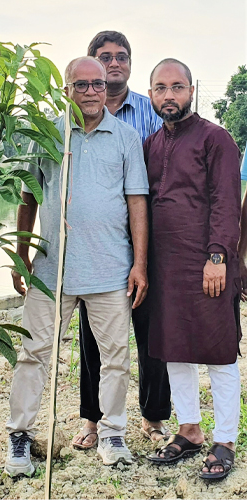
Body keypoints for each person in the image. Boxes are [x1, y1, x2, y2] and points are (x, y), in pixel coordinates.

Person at [5, 56, 149, 476]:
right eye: (81, 84)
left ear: (108, 88)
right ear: (66, 88)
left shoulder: (125, 137)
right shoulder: (47, 134)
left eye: (98, 84)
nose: (90, 91)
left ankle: (112, 433)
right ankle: (20, 435)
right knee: (33, 354)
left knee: (116, 356)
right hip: (52, 272)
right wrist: (22, 250)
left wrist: (139, 262)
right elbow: (29, 195)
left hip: (109, 268)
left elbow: (136, 200)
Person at [144, 59, 242, 481]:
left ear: (191, 91)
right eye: (161, 88)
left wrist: (218, 256)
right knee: (173, 348)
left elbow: (226, 202)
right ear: (150, 94)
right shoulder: (150, 143)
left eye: (177, 87)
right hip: (164, 264)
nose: (169, 95)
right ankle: (189, 430)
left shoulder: (215, 139)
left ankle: (225, 438)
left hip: (208, 262)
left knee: (219, 352)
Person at [72, 31, 170, 450]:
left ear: (130, 65)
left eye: (121, 57)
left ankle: (152, 416)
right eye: (104, 57)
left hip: (147, 239)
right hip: (95, 246)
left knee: (151, 334)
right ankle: (92, 421)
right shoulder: (72, 118)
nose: (113, 65)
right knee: (93, 338)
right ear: (89, 65)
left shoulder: (150, 115)